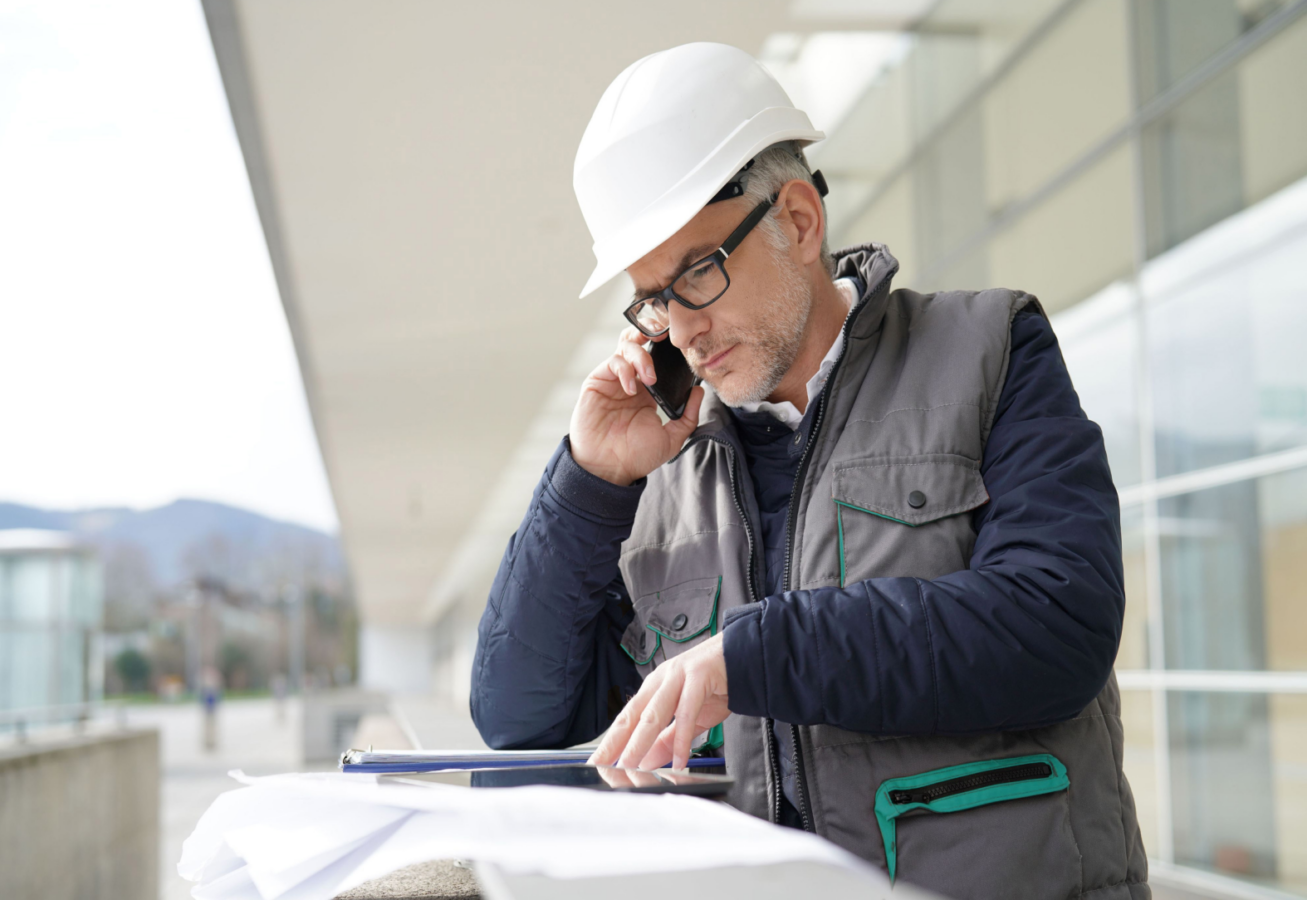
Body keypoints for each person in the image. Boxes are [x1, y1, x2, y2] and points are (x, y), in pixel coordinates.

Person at [471, 42, 1148, 899]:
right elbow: (519, 722)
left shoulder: (988, 350)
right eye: (651, 298)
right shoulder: (658, 470)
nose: (679, 330)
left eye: (698, 274)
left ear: (796, 219)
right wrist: (589, 483)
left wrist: (753, 657)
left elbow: (1057, 625)